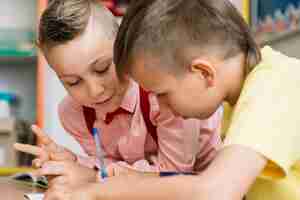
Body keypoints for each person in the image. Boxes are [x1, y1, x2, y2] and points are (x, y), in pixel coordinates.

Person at [42, 0, 300, 199]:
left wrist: (95, 191)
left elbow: (214, 192)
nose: (161, 106)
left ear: (203, 73)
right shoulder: (246, 94)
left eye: (162, 94)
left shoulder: (276, 86)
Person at [15, 0, 223, 196]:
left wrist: (89, 175)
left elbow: (173, 174)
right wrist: (70, 162)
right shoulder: (73, 113)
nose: (95, 91)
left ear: (122, 46)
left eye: (102, 68)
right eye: (73, 82)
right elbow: (109, 164)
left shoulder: (164, 93)